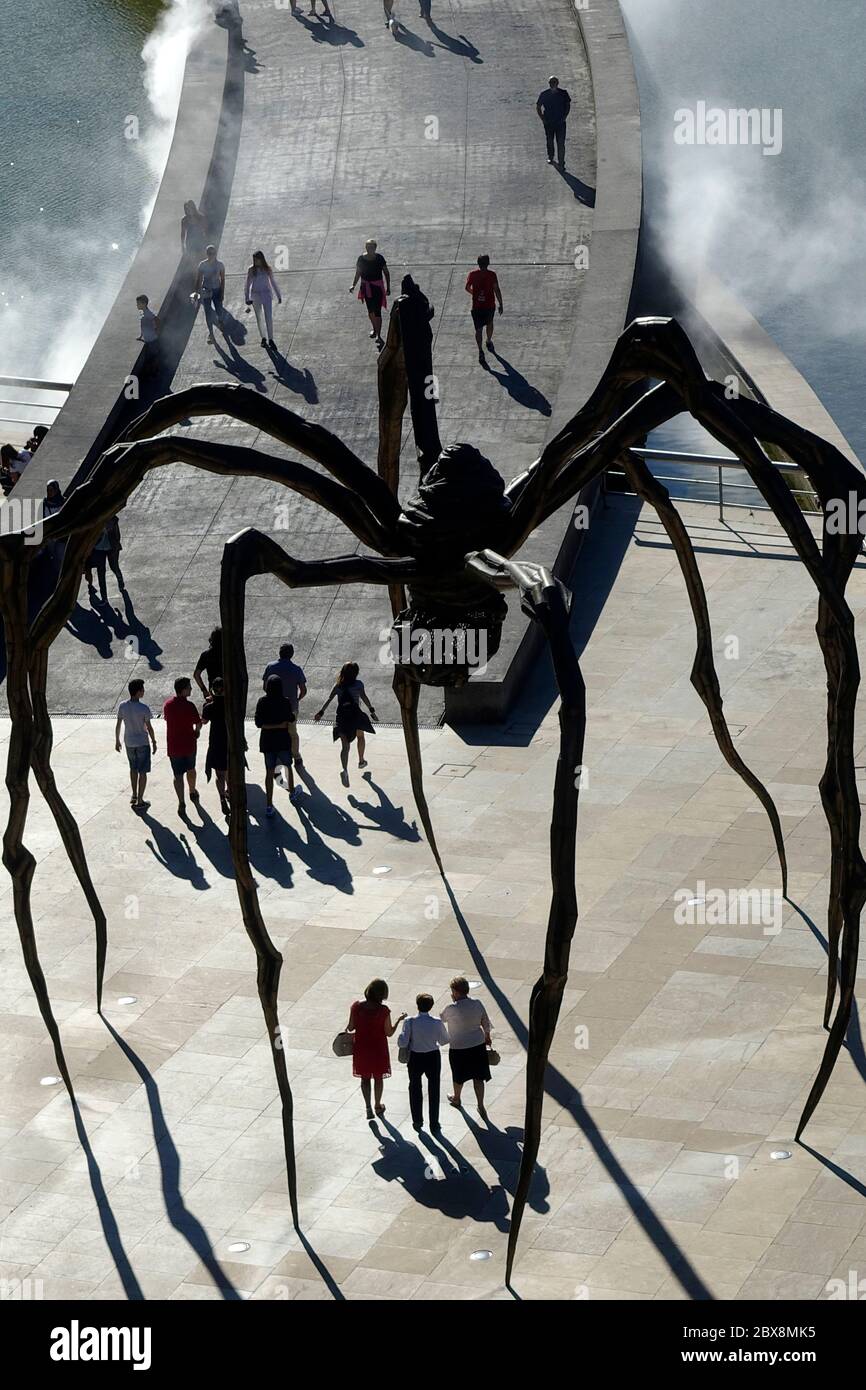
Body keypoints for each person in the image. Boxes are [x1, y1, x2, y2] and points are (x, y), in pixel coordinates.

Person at [344, 979, 406, 1119]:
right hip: (378, 1049)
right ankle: (377, 1105)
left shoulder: (356, 1006)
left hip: (362, 1048)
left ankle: (367, 1107)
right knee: (378, 1078)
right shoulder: (383, 1011)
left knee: (365, 1079)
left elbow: (351, 1027)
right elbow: (389, 1032)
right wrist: (398, 1020)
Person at [314, 661, 378, 787]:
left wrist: (320, 713)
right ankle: (361, 761)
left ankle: (345, 770)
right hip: (355, 717)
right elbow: (364, 698)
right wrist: (372, 712)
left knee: (345, 746)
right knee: (360, 736)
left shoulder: (338, 685)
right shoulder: (359, 684)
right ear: (356, 673)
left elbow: (329, 699)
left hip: (342, 718)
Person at [441, 976, 493, 1117]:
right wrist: (487, 1036)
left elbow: (441, 1018)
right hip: (477, 1045)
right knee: (478, 1077)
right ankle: (481, 1105)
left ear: (456, 992)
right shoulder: (477, 1004)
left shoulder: (451, 1008)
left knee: (458, 1076)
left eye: (452, 991)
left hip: (458, 1048)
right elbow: (485, 1021)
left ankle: (457, 1098)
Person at [397, 993, 449, 1132]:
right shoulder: (437, 1022)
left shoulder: (409, 1021)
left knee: (414, 1088)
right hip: (433, 1056)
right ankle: (434, 1122)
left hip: (415, 1057)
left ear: (417, 1005)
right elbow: (444, 1040)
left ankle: (417, 1120)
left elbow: (402, 1042)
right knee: (434, 1088)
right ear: (431, 1006)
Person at [255, 674, 300, 817]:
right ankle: (292, 793)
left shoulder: (262, 702)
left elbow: (258, 723)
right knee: (288, 766)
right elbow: (291, 718)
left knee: (269, 772)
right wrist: (280, 724)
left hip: (267, 742)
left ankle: (269, 804)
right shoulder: (285, 702)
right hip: (282, 740)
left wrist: (269, 726)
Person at [115, 679, 157, 811]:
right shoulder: (144, 708)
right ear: (138, 692)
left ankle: (134, 794)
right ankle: (140, 800)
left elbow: (118, 724)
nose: (144, 691)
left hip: (129, 743)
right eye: (142, 689)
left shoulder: (122, 706)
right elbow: (149, 727)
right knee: (143, 772)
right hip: (142, 743)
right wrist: (154, 741)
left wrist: (117, 740)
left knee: (133, 769)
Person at [262, 643, 306, 767]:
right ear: (291, 654)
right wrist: (297, 699)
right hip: (291, 706)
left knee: (276, 730)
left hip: (273, 706)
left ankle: (277, 756)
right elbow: (303, 690)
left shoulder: (270, 667)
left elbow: (265, 687)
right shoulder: (297, 669)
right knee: (292, 732)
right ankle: (296, 756)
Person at [163, 677, 202, 815]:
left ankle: (181, 802)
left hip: (174, 746)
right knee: (191, 769)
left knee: (177, 775)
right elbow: (198, 722)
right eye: (189, 687)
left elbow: (167, 719)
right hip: (189, 744)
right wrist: (197, 732)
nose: (191, 689)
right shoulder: (190, 706)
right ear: (183, 690)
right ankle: (192, 791)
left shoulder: (168, 705)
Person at [349, 239, 390, 348]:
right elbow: (358, 272)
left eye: (371, 247)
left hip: (377, 288)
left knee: (377, 312)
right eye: (368, 247)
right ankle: (375, 329)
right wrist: (353, 285)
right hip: (366, 288)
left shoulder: (379, 258)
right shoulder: (361, 259)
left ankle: (379, 335)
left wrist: (388, 288)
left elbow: (386, 272)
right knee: (370, 311)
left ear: (375, 248)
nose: (369, 249)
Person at [465, 254, 504, 363]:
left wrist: (474, 294)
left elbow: (467, 287)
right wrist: (501, 303)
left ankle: (480, 350)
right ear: (488, 263)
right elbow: (496, 289)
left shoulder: (472, 274)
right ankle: (488, 341)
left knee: (478, 329)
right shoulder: (492, 275)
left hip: (477, 307)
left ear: (478, 263)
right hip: (489, 306)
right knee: (489, 324)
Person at [202, 676, 230, 818]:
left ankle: (222, 797)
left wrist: (206, 704)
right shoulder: (231, 704)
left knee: (219, 774)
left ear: (213, 690)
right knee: (229, 770)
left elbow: (204, 721)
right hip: (230, 741)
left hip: (216, 741)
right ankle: (230, 791)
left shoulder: (209, 707)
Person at [244, 250, 282, 349]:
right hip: (255, 296)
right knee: (259, 318)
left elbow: (273, 282)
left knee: (268, 318)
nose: (255, 262)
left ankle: (271, 339)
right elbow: (247, 285)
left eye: (257, 260)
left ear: (261, 259)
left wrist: (278, 295)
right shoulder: (251, 270)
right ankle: (263, 338)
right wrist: (247, 297)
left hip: (266, 295)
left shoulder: (267, 269)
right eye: (254, 260)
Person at [536, 76, 571, 167]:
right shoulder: (544, 94)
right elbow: (538, 106)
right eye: (551, 82)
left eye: (555, 82)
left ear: (558, 83)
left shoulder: (563, 93)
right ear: (549, 84)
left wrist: (564, 117)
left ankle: (561, 162)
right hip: (549, 122)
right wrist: (543, 119)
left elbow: (568, 105)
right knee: (550, 140)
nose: (553, 84)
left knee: (560, 142)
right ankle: (551, 156)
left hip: (560, 122)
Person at [194, 245, 226, 344]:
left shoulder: (220, 265)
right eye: (209, 253)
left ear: (215, 253)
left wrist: (222, 292)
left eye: (212, 253)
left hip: (216, 290)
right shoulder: (202, 265)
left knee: (219, 310)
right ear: (207, 254)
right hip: (206, 290)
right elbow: (199, 279)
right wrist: (196, 293)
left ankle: (220, 323)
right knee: (208, 313)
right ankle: (211, 334)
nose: (211, 255)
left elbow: (223, 279)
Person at [84, 526, 113, 603]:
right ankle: (91, 587)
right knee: (97, 574)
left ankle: (104, 597)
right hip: (97, 552)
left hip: (98, 552)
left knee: (100, 576)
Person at [194, 626, 223, 698]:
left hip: (214, 690)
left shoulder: (206, 655)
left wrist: (204, 690)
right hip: (229, 690)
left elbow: (196, 675)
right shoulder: (229, 653)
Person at [135, 294, 160, 376]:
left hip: (152, 340)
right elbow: (142, 325)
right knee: (150, 357)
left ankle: (155, 372)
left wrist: (157, 331)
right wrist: (141, 336)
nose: (137, 305)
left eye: (138, 304)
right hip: (148, 339)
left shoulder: (148, 313)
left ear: (144, 304)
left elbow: (156, 319)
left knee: (153, 356)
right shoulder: (142, 313)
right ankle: (153, 372)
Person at [106, 514, 125, 592]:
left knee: (114, 566)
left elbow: (117, 535)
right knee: (112, 566)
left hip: (112, 547)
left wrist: (115, 546)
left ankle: (120, 579)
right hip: (102, 547)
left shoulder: (113, 520)